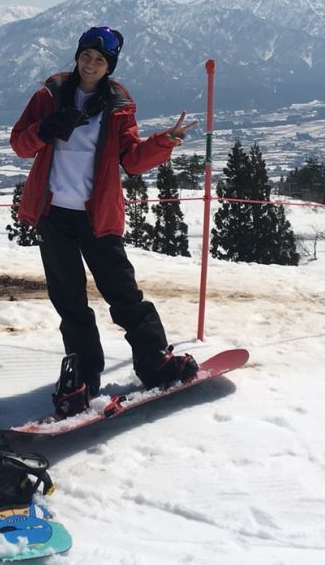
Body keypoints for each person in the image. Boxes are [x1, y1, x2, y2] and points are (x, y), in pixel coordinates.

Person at [10, 25, 199, 417]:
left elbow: (131, 159)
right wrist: (46, 129)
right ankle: (84, 378)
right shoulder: (49, 95)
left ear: (109, 65)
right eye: (86, 55)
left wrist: (165, 141)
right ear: (77, 56)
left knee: (124, 295)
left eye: (100, 59)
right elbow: (19, 144)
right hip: (54, 215)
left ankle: (154, 362)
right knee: (70, 301)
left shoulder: (118, 105)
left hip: (97, 216)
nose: (91, 63)